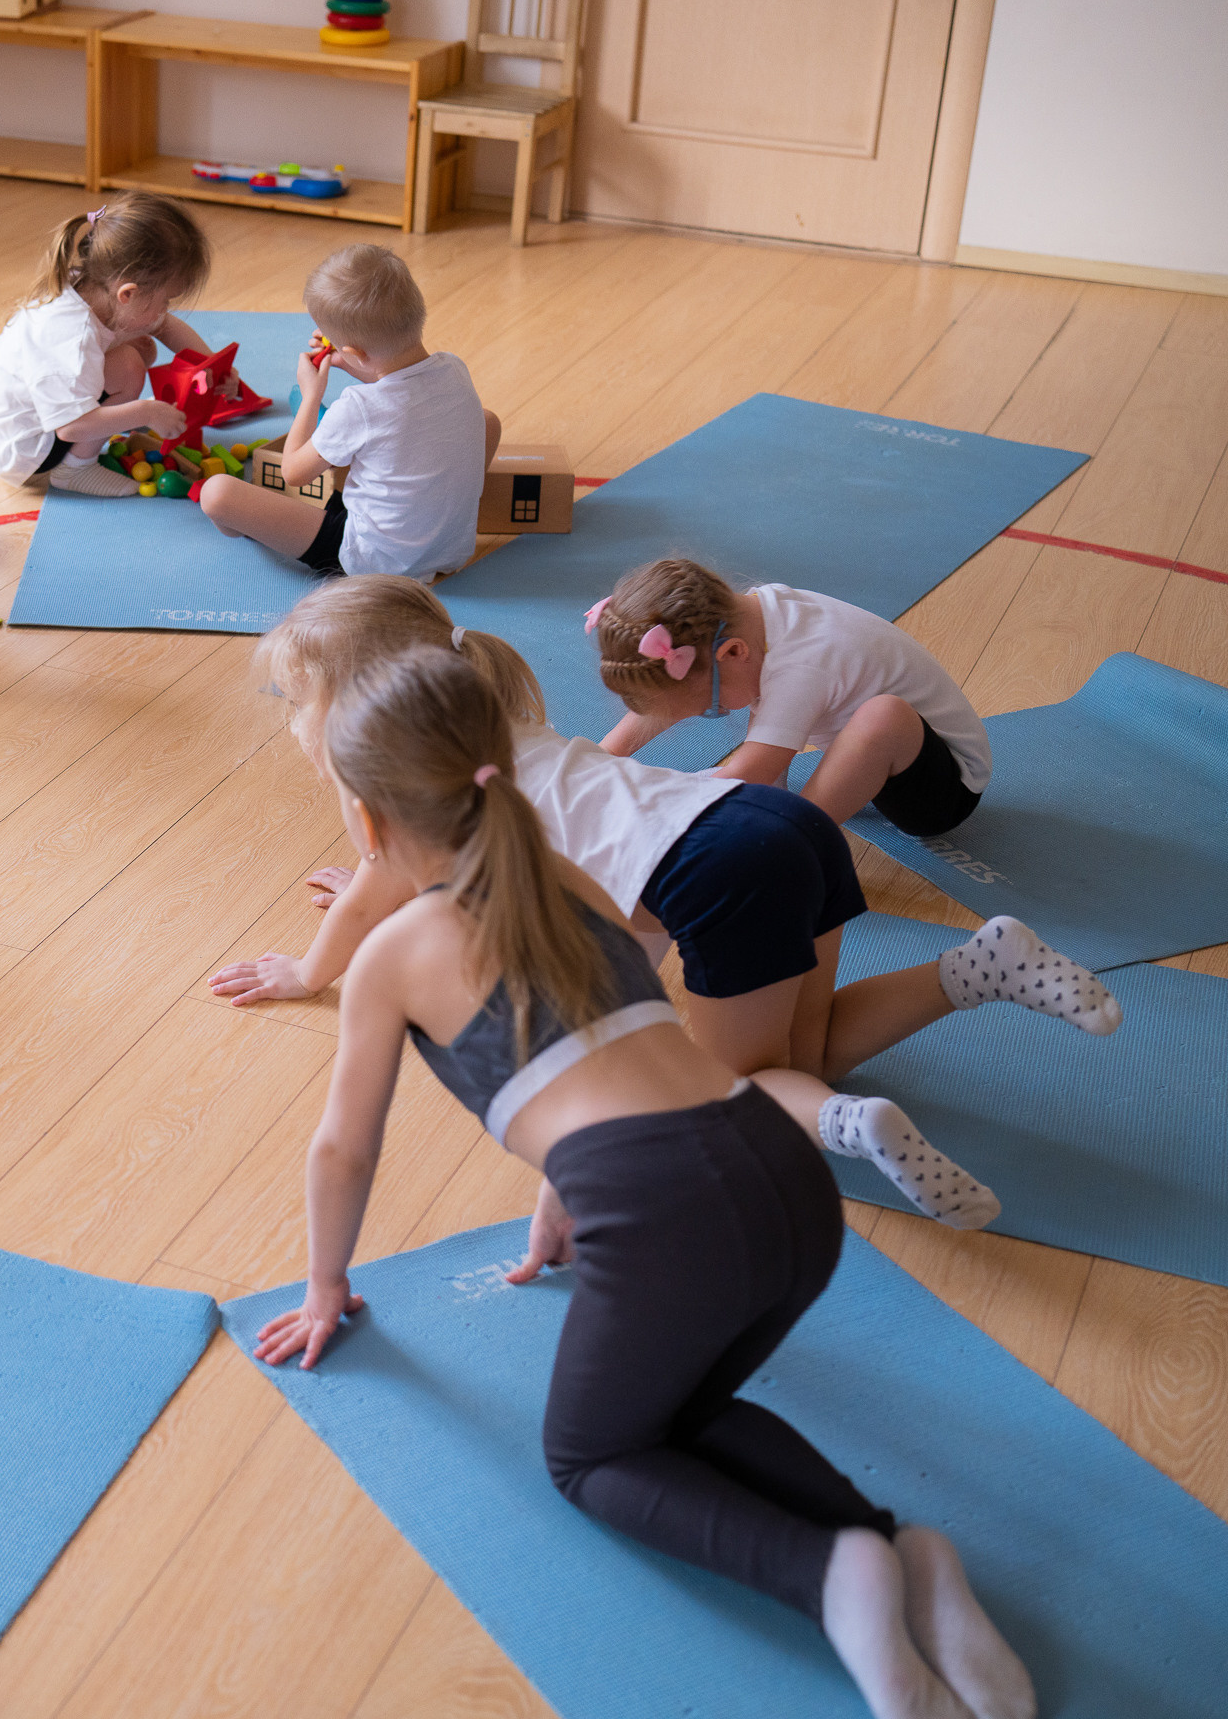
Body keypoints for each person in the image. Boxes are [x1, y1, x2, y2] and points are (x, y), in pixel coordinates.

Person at [253, 647, 1034, 1719]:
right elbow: (615, 1039)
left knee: (594, 1458)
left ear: (371, 824)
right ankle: (903, 1551)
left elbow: (345, 1147)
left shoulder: (394, 950)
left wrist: (323, 1286)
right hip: (784, 1177)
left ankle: (833, 1574)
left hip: (669, 1215)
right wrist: (563, 1188)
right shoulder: (566, 878)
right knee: (677, 1407)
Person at [210, 575, 1125, 1228]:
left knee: (739, 1086)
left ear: (364, 711)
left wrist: (304, 968)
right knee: (804, 1054)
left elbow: (376, 903)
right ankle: (978, 966)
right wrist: (387, 887)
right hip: (773, 824)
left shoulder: (435, 797)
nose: (291, 718)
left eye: (297, 699)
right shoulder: (506, 731)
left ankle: (850, 1128)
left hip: (722, 876)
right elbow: (423, 881)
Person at [590, 557, 991, 836]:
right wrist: (595, 763)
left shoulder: (801, 665)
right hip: (886, 766)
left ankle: (793, 834)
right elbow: (669, 697)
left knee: (885, 716)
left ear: (733, 653)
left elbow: (754, 769)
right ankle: (778, 812)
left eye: (709, 707)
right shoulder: (747, 618)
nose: (713, 712)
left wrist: (659, 812)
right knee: (755, 742)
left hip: (942, 790)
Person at [197, 244, 499, 581]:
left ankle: (249, 529)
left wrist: (312, 396)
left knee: (216, 493)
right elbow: (397, 384)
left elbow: (294, 473)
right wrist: (350, 359)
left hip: (372, 563)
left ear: (355, 351)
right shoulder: (454, 368)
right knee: (487, 421)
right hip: (450, 550)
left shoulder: (358, 407)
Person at [0, 191, 226, 497]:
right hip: (30, 451)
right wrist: (146, 412)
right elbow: (71, 426)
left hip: (42, 417)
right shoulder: (71, 338)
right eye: (165, 300)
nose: (165, 310)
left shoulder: (99, 284)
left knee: (143, 345)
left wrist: (212, 365)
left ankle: (103, 428)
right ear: (128, 294)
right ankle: (76, 468)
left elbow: (166, 326)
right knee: (131, 365)